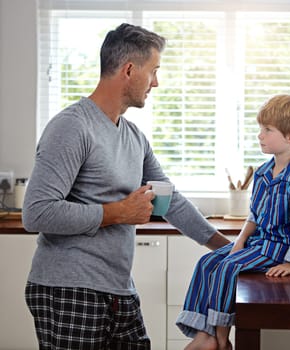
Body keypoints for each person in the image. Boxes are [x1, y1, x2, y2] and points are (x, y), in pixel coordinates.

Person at [22, 23, 230, 350]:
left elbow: (168, 199)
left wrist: (228, 249)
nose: (157, 82)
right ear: (130, 70)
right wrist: (117, 212)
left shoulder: (133, 137)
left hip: (119, 290)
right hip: (68, 289)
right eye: (154, 71)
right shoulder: (72, 127)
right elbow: (36, 213)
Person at [176, 94, 290, 350]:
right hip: (259, 243)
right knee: (207, 262)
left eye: (267, 130)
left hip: (281, 250)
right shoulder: (264, 173)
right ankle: (204, 333)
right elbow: (255, 215)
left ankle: (222, 341)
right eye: (261, 129)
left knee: (227, 268)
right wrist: (241, 241)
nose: (260, 135)